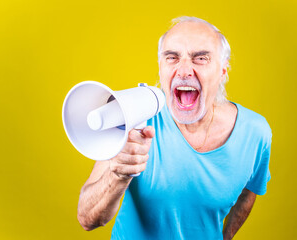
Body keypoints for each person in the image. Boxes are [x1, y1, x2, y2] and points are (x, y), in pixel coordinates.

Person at [77, 16, 272, 240]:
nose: (183, 70)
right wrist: (118, 174)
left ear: (222, 72)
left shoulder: (256, 133)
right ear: (160, 69)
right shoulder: (132, 115)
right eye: (172, 57)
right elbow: (87, 219)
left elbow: (248, 193)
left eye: (200, 58)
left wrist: (225, 236)